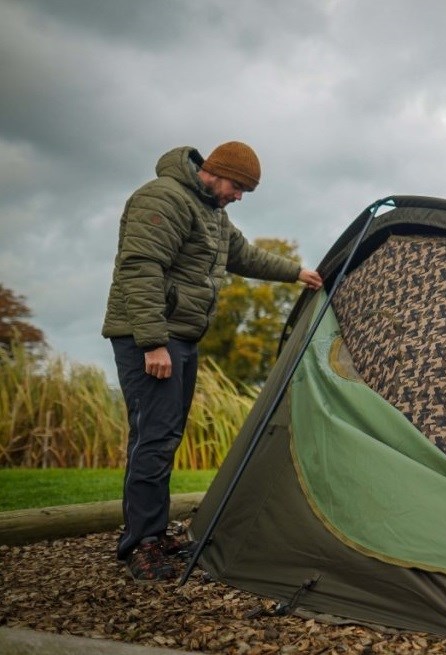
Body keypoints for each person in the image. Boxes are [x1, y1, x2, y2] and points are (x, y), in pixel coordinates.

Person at [101, 141, 323, 581]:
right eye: (238, 187)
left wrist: (296, 273)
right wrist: (153, 344)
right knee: (154, 439)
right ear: (217, 172)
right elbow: (140, 268)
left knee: (165, 437)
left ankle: (152, 533)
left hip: (181, 336)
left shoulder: (212, 213)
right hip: (151, 337)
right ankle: (141, 545)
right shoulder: (163, 197)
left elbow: (243, 256)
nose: (238, 197)